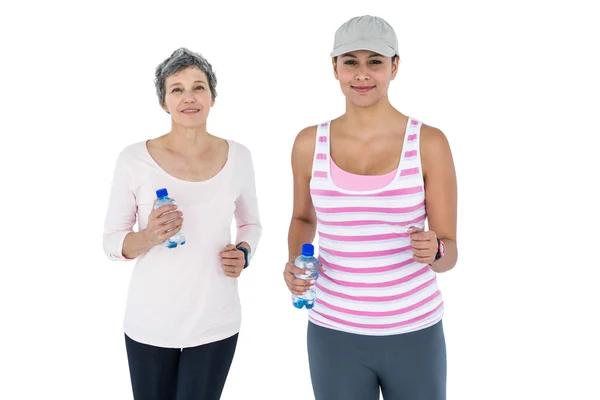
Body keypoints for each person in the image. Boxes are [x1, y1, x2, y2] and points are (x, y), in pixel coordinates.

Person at [283, 16, 458, 400]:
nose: (362, 74)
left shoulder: (429, 143)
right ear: (335, 68)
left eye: (375, 61)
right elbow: (302, 217)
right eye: (350, 61)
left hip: (414, 330)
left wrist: (436, 250)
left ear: (395, 66)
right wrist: (296, 262)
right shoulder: (308, 143)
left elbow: (449, 253)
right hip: (333, 331)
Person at [103, 47, 262, 400]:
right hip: (151, 323)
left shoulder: (239, 156)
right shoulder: (133, 159)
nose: (188, 98)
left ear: (212, 97)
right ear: (164, 102)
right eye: (176, 89)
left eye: (198, 87)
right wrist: (149, 235)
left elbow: (251, 224)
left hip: (216, 321)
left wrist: (244, 252)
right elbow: (112, 242)